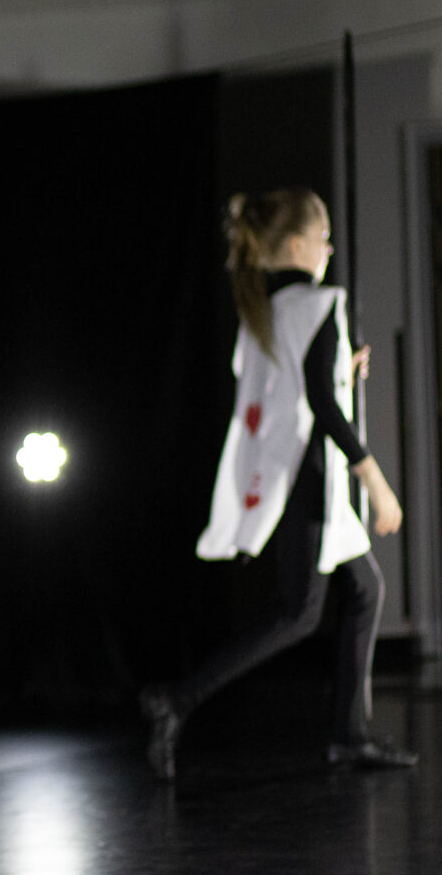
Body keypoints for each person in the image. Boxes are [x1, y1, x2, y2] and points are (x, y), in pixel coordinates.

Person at [141, 188, 413, 782]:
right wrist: (375, 480)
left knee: (364, 589)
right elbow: (320, 405)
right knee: (297, 615)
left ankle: (348, 736)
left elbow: (290, 389)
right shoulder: (320, 304)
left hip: (292, 479)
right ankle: (176, 700)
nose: (329, 249)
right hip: (310, 483)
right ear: (296, 245)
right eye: (322, 238)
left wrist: (342, 369)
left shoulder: (266, 312)